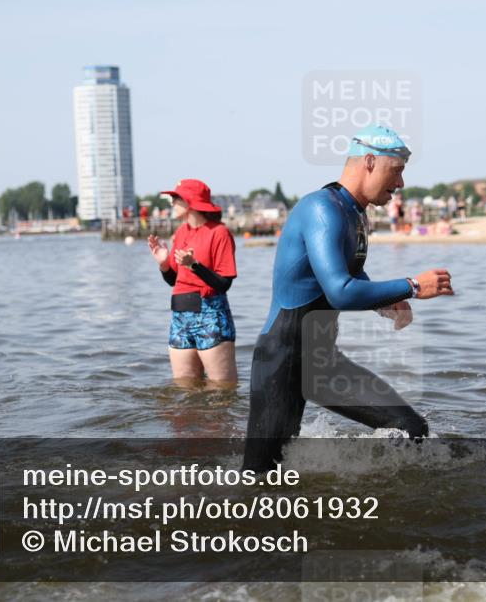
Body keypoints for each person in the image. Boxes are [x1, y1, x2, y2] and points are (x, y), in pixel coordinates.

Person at [243, 125, 454, 472]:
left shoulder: (355, 213)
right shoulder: (321, 210)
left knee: (411, 429)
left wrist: (382, 300)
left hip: (322, 361)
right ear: (369, 161)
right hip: (282, 361)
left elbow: (350, 276)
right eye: (396, 171)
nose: (400, 184)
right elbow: (340, 291)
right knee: (262, 477)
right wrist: (413, 286)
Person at [147, 179, 238, 388]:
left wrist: (194, 265)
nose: (171, 203)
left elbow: (224, 284)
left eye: (176, 198)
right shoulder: (180, 233)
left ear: (190, 202)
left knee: (222, 392)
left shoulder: (219, 233)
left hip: (210, 317)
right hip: (180, 318)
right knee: (184, 392)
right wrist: (163, 264)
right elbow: (174, 281)